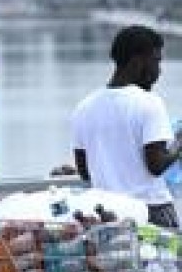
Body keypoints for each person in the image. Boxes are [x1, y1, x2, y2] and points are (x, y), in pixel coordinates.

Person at [72, 24, 182, 229]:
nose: (159, 70)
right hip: (151, 211)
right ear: (138, 60)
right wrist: (178, 145)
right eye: (156, 61)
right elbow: (156, 165)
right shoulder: (149, 102)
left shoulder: (83, 108)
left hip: (106, 215)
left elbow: (84, 171)